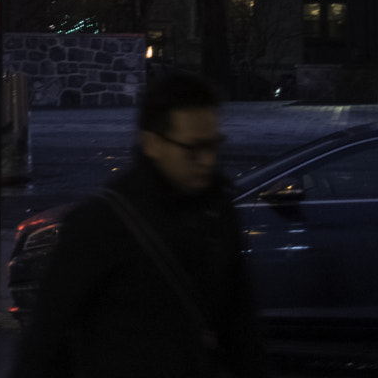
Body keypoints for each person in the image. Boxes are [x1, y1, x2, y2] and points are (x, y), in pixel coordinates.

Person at [14, 70, 268, 378]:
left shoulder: (217, 209)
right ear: (152, 143)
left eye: (213, 145)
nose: (208, 161)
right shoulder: (101, 222)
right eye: (193, 149)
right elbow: (46, 338)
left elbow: (240, 325)